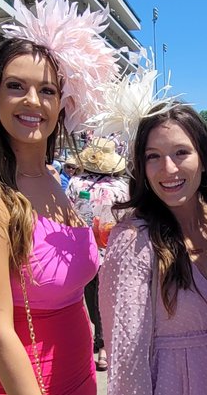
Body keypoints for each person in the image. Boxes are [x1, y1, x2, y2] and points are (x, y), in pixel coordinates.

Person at [0, 0, 119, 395]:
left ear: (63, 104)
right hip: (25, 380)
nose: (32, 101)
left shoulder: (55, 183)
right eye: (15, 86)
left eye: (47, 90)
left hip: (80, 369)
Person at [99, 103, 207, 394]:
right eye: (153, 156)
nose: (168, 169)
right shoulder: (133, 239)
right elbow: (127, 361)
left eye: (181, 152)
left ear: (204, 157)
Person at [67, 138, 129, 374]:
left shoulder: (74, 183)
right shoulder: (123, 187)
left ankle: (98, 340)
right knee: (109, 297)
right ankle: (104, 345)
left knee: (91, 295)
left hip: (82, 250)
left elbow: (68, 215)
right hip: (113, 250)